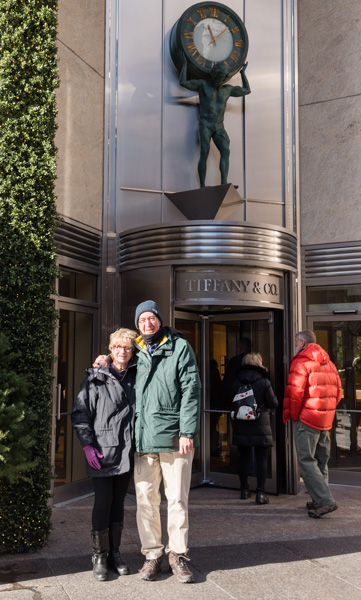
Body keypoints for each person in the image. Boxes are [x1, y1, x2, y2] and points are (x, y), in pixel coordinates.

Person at [93, 300, 201, 584]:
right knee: (145, 502)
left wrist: (187, 431)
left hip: (175, 438)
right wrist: (104, 359)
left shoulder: (179, 347)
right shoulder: (137, 350)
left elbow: (191, 390)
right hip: (142, 439)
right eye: (142, 320)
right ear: (138, 324)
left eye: (152, 318)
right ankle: (152, 555)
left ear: (160, 320)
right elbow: (119, 357)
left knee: (177, 500)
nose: (148, 324)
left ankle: (178, 555)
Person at [71, 328, 137, 581]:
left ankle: (115, 554)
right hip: (102, 451)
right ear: (110, 350)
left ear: (133, 351)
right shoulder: (96, 377)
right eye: (117, 347)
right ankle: (99, 556)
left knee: (119, 503)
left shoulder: (137, 375)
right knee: (103, 502)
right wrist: (87, 445)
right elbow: (81, 414)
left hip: (127, 451)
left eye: (127, 347)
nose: (122, 351)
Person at [283, 330, 342, 518]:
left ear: (301, 342)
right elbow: (338, 392)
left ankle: (324, 501)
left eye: (295, 341)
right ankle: (319, 498)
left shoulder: (301, 362)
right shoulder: (330, 363)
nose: (294, 345)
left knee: (307, 461)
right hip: (325, 419)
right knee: (321, 460)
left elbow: (294, 394)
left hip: (307, 418)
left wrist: (293, 417)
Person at [179, 53, 251, 188]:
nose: (220, 78)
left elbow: (247, 90)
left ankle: (224, 183)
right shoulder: (203, 85)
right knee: (204, 152)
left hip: (218, 126)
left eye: (223, 76)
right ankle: (202, 185)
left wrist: (243, 74)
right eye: (218, 75)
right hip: (205, 124)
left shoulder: (227, 90)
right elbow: (183, 82)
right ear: (214, 74)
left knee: (225, 150)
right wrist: (184, 65)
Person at [230, 353, 278, 504]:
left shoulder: (236, 381)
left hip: (241, 423)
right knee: (261, 458)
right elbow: (273, 403)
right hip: (260, 424)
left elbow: (229, 399)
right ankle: (260, 493)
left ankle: (244, 490)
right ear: (259, 363)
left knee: (243, 458)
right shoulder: (264, 382)